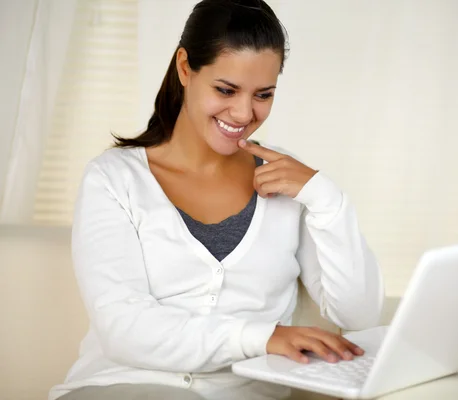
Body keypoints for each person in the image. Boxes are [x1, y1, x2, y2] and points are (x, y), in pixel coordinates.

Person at [49, 0, 384, 399]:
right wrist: (262, 337)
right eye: (226, 89)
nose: (244, 112)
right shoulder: (114, 178)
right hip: (123, 386)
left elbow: (358, 315)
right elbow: (124, 328)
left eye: (263, 94)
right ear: (185, 67)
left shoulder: (288, 184)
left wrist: (328, 200)